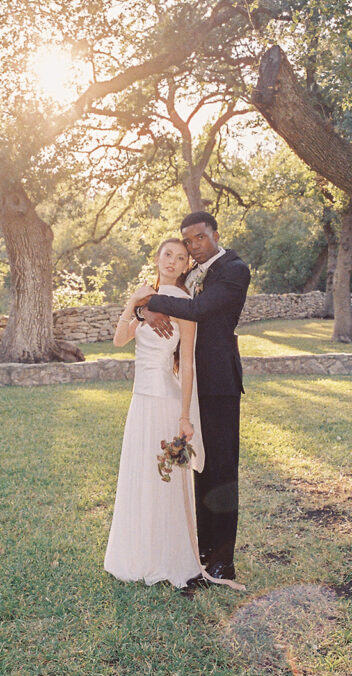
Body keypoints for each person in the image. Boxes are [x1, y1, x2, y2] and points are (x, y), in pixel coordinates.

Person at [137, 211, 251, 586]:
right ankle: (199, 550)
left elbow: (198, 310)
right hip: (186, 383)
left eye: (199, 238)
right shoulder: (192, 271)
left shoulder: (234, 269)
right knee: (196, 470)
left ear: (215, 234)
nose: (193, 247)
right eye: (188, 241)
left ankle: (223, 561)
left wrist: (151, 303)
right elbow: (171, 291)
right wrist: (142, 308)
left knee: (220, 470)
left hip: (218, 382)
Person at [103, 237, 205, 588]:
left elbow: (187, 364)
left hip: (165, 400)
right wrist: (134, 302)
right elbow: (119, 340)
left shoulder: (186, 304)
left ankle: (167, 555)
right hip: (139, 401)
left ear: (186, 265)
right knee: (139, 475)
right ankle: (137, 554)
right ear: (157, 258)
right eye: (167, 255)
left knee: (164, 480)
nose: (173, 262)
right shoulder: (144, 301)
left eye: (180, 258)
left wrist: (185, 416)